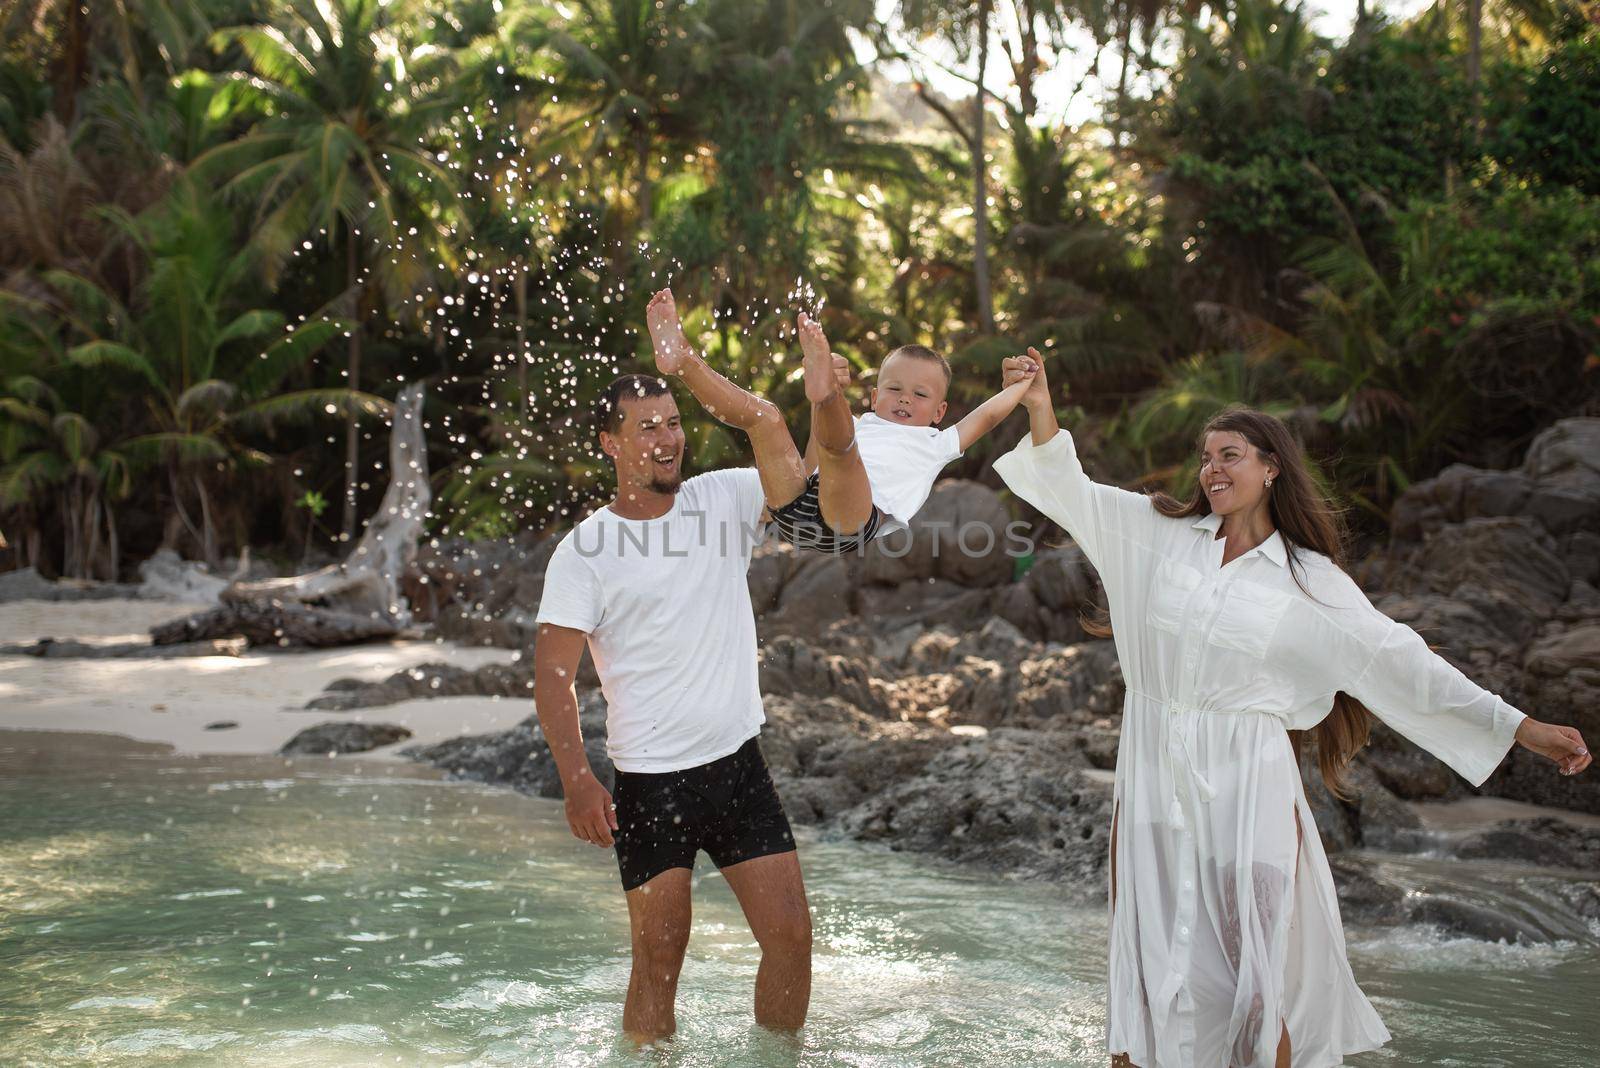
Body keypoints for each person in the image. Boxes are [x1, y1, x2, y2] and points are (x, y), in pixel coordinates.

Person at [991, 351, 1592, 1068]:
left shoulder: (1311, 581)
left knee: (1258, 982)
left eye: (1231, 455)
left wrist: (1520, 727)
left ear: (1272, 467)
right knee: (1145, 973)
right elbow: (1069, 489)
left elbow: (1400, 662)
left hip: (1249, 789)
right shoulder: (1156, 535)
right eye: (1206, 457)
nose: (1213, 468)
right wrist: (1037, 404)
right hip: (1152, 777)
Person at [533, 373, 811, 1043]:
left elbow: (796, 476)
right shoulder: (583, 553)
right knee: (659, 966)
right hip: (653, 786)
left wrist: (820, 395)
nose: (668, 439)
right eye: (648, 427)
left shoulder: (726, 497)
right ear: (612, 444)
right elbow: (552, 678)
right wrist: (577, 780)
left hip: (741, 771)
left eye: (674, 422)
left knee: (793, 940)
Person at [645, 287, 1035, 553]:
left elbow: (986, 416)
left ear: (939, 413)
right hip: (796, 509)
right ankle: (683, 360)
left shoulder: (936, 443)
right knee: (766, 418)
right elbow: (811, 465)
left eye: (919, 395)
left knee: (844, 453)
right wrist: (823, 408)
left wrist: (1021, 386)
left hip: (850, 523)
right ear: (875, 396)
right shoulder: (861, 424)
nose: (904, 399)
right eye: (894, 389)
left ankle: (827, 389)